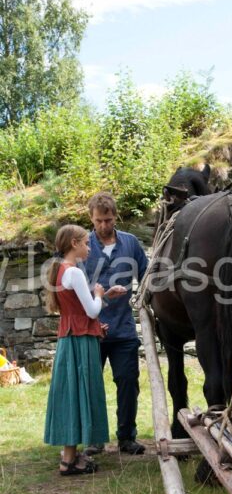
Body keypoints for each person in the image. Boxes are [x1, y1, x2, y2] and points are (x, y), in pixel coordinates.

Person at [44, 224, 126, 475]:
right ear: (74, 244)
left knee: (72, 393)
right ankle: (68, 461)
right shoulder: (75, 273)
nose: (90, 247)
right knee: (80, 394)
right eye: (86, 243)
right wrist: (100, 293)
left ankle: (71, 455)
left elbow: (79, 310)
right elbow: (91, 310)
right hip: (80, 342)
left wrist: (104, 295)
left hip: (70, 338)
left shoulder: (61, 271)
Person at [82, 192, 148, 455]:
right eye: (98, 221)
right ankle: (94, 439)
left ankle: (126, 437)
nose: (103, 226)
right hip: (90, 330)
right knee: (91, 386)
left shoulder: (130, 244)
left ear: (115, 217)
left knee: (128, 382)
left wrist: (142, 298)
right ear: (91, 218)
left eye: (108, 220)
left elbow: (146, 276)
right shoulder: (82, 244)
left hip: (123, 329)